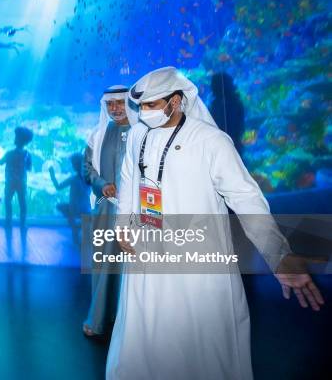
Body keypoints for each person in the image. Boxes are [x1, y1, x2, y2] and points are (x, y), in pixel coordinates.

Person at [106, 67, 324, 379]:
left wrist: (279, 255)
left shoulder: (211, 141)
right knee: (144, 340)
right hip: (146, 260)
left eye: (153, 105)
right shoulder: (138, 135)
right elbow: (129, 183)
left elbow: (246, 200)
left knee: (203, 348)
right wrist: (124, 225)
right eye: (141, 107)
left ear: (177, 101)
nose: (145, 113)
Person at [81, 85, 138, 338]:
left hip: (137, 211)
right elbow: (87, 170)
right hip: (106, 210)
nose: (115, 109)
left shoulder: (143, 133)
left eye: (119, 103)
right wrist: (102, 185)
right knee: (105, 263)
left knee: (136, 267)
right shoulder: (97, 135)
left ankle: (134, 324)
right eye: (110, 104)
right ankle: (100, 320)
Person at [0, 126, 33, 230]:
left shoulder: (9, 153)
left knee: (8, 201)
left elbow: (0, 162)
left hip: (10, 182)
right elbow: (29, 168)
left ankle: (8, 223)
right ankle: (23, 224)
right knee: (22, 203)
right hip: (22, 182)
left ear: (17, 140)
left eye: (16, 137)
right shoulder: (28, 155)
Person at [49, 152, 91, 246]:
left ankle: (75, 229)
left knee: (60, 206)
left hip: (74, 209)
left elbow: (58, 187)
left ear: (74, 165)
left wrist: (52, 176)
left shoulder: (73, 179)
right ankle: (81, 226)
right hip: (87, 209)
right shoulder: (89, 178)